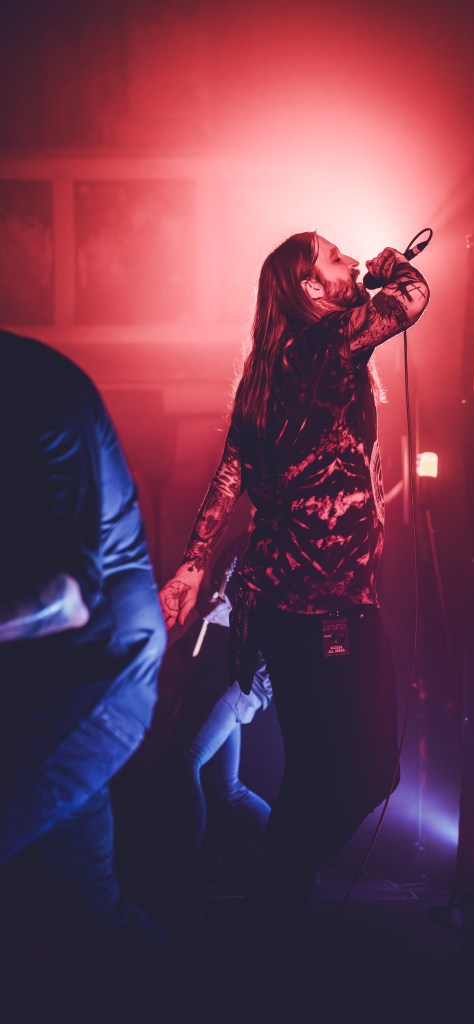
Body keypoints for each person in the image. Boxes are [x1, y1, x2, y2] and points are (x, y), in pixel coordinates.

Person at [158, 232, 429, 963]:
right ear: (311, 289)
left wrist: (191, 567)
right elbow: (411, 299)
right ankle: (274, 900)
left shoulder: (266, 372)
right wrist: (391, 266)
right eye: (337, 259)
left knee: (313, 770)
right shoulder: (325, 344)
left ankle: (274, 934)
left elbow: (228, 478)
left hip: (280, 607)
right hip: (328, 604)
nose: (352, 265)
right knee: (370, 769)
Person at [0, 330, 180, 1015]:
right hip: (39, 684)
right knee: (96, 916)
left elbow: (65, 597)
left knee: (96, 915)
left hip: (98, 680)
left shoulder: (36, 391)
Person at [157, 568, 273, 926]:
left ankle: (180, 886)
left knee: (186, 762)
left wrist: (226, 615)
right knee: (230, 788)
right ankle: (294, 861)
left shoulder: (285, 562)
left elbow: (271, 628)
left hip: (249, 681)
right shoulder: (246, 558)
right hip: (234, 677)